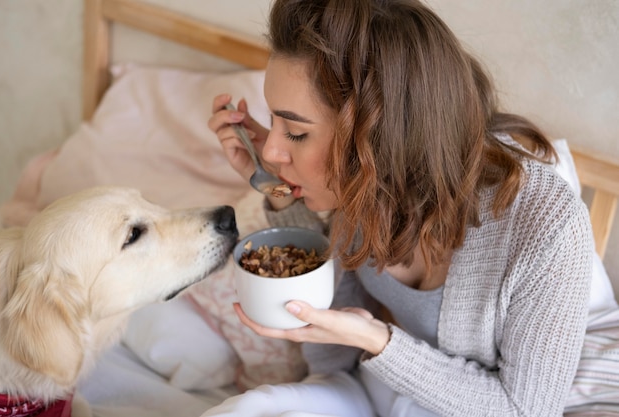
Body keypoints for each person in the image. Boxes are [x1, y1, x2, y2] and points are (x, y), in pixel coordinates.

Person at [204, 0, 594, 416]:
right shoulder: (367, 185)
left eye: (296, 131)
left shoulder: (549, 229)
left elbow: (525, 409)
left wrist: (378, 341)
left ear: (379, 140)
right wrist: (276, 185)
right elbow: (334, 351)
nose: (273, 149)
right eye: (275, 123)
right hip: (397, 379)